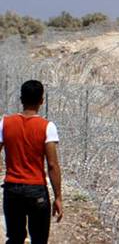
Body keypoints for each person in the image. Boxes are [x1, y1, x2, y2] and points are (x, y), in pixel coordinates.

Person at [0, 80, 63, 244]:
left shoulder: (5, 123)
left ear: (21, 99)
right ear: (42, 100)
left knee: (14, 238)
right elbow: (52, 165)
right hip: (36, 190)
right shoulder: (47, 127)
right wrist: (58, 197)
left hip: (12, 189)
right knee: (39, 239)